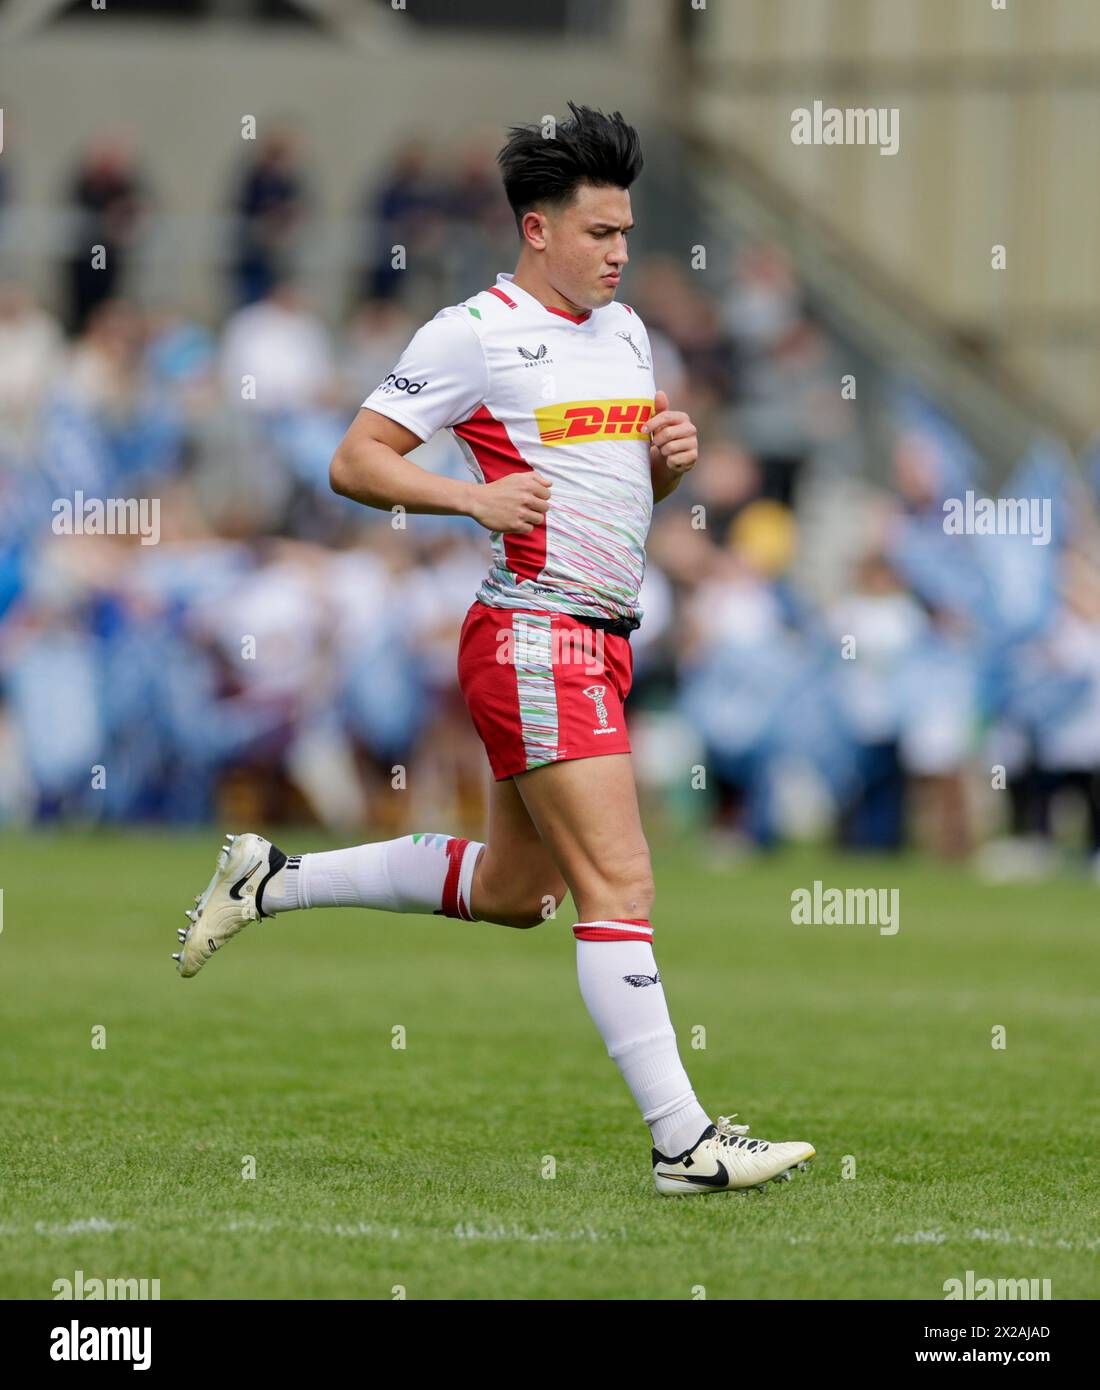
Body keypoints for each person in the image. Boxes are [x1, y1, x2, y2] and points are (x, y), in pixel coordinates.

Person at [172, 102, 815, 1196]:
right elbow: (354, 460)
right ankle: (682, 1141)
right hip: (530, 632)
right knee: (621, 876)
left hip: (600, 635)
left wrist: (664, 463)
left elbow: (621, 499)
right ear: (536, 229)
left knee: (522, 893)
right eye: (599, 234)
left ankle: (271, 877)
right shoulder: (471, 332)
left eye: (625, 232)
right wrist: (467, 498)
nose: (620, 253)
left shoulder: (624, 334)